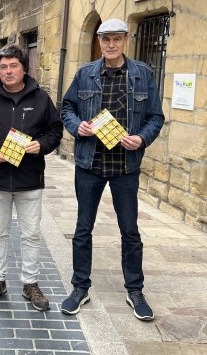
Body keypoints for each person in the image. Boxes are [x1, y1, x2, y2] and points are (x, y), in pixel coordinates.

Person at [60, 18, 164, 321]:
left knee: (130, 230)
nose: (111, 45)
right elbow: (67, 107)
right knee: (83, 228)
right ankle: (80, 287)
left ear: (125, 40)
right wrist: (77, 126)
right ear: (99, 42)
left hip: (125, 166)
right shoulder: (85, 74)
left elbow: (156, 116)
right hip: (90, 164)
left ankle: (135, 290)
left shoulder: (143, 74)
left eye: (116, 39)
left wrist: (142, 138)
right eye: (105, 39)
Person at [0, 44, 63, 311]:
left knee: (31, 234)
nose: (8, 71)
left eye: (13, 66)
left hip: (30, 179)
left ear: (24, 68)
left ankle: (30, 283)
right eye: (3, 67)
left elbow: (55, 130)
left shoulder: (41, 98)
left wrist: (40, 145)